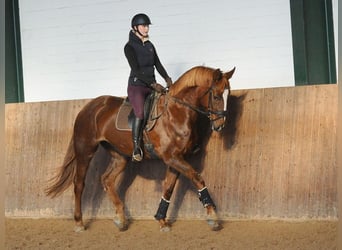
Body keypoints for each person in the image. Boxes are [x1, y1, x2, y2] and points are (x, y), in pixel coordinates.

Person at [124, 13, 172, 162]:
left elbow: (157, 64)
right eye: (144, 26)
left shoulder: (150, 45)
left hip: (152, 85)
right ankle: (136, 147)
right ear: (135, 28)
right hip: (137, 86)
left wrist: (167, 78)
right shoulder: (129, 47)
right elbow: (136, 70)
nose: (146, 28)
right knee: (140, 113)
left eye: (147, 26)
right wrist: (153, 84)